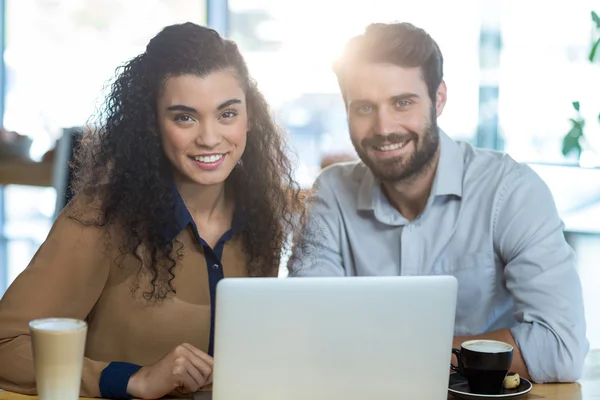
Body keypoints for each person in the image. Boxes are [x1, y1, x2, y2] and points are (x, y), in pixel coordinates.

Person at [0, 22, 305, 399]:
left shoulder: (262, 220)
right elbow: (6, 346)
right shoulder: (100, 218)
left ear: (250, 117)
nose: (209, 138)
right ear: (152, 125)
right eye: (184, 117)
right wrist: (132, 379)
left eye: (227, 114)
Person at [288, 22, 589, 383]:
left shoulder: (511, 191)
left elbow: (560, 348)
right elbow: (308, 333)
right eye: (365, 108)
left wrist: (401, 356)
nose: (384, 128)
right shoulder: (331, 195)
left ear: (439, 99)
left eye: (403, 103)